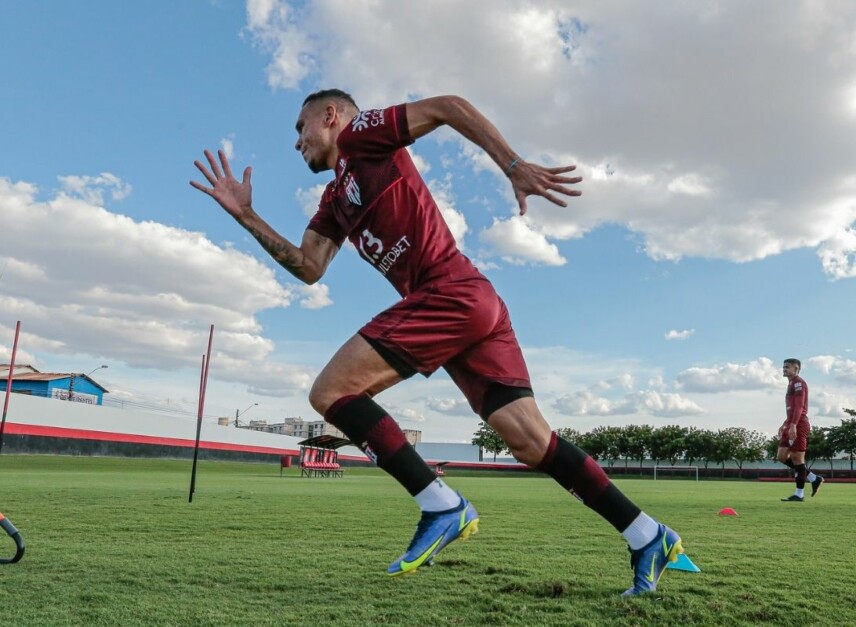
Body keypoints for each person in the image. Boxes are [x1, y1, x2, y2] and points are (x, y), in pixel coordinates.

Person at [190, 90, 683, 595]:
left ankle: (441, 505)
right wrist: (245, 217)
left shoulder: (363, 137)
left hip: (449, 293)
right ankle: (647, 535)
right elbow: (309, 268)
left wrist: (511, 164)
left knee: (331, 392)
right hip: (471, 306)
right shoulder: (334, 200)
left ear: (331, 117)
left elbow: (448, 105)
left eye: (301, 128)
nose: (297, 142)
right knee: (531, 443)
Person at [775, 358, 823, 501]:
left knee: (797, 459)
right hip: (790, 423)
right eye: (783, 367)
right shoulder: (791, 383)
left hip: (799, 423)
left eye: (787, 367)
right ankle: (813, 478)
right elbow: (792, 409)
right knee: (781, 456)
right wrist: (785, 423)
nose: (784, 369)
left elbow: (800, 407)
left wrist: (794, 425)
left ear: (796, 369)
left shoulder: (799, 383)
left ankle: (799, 494)